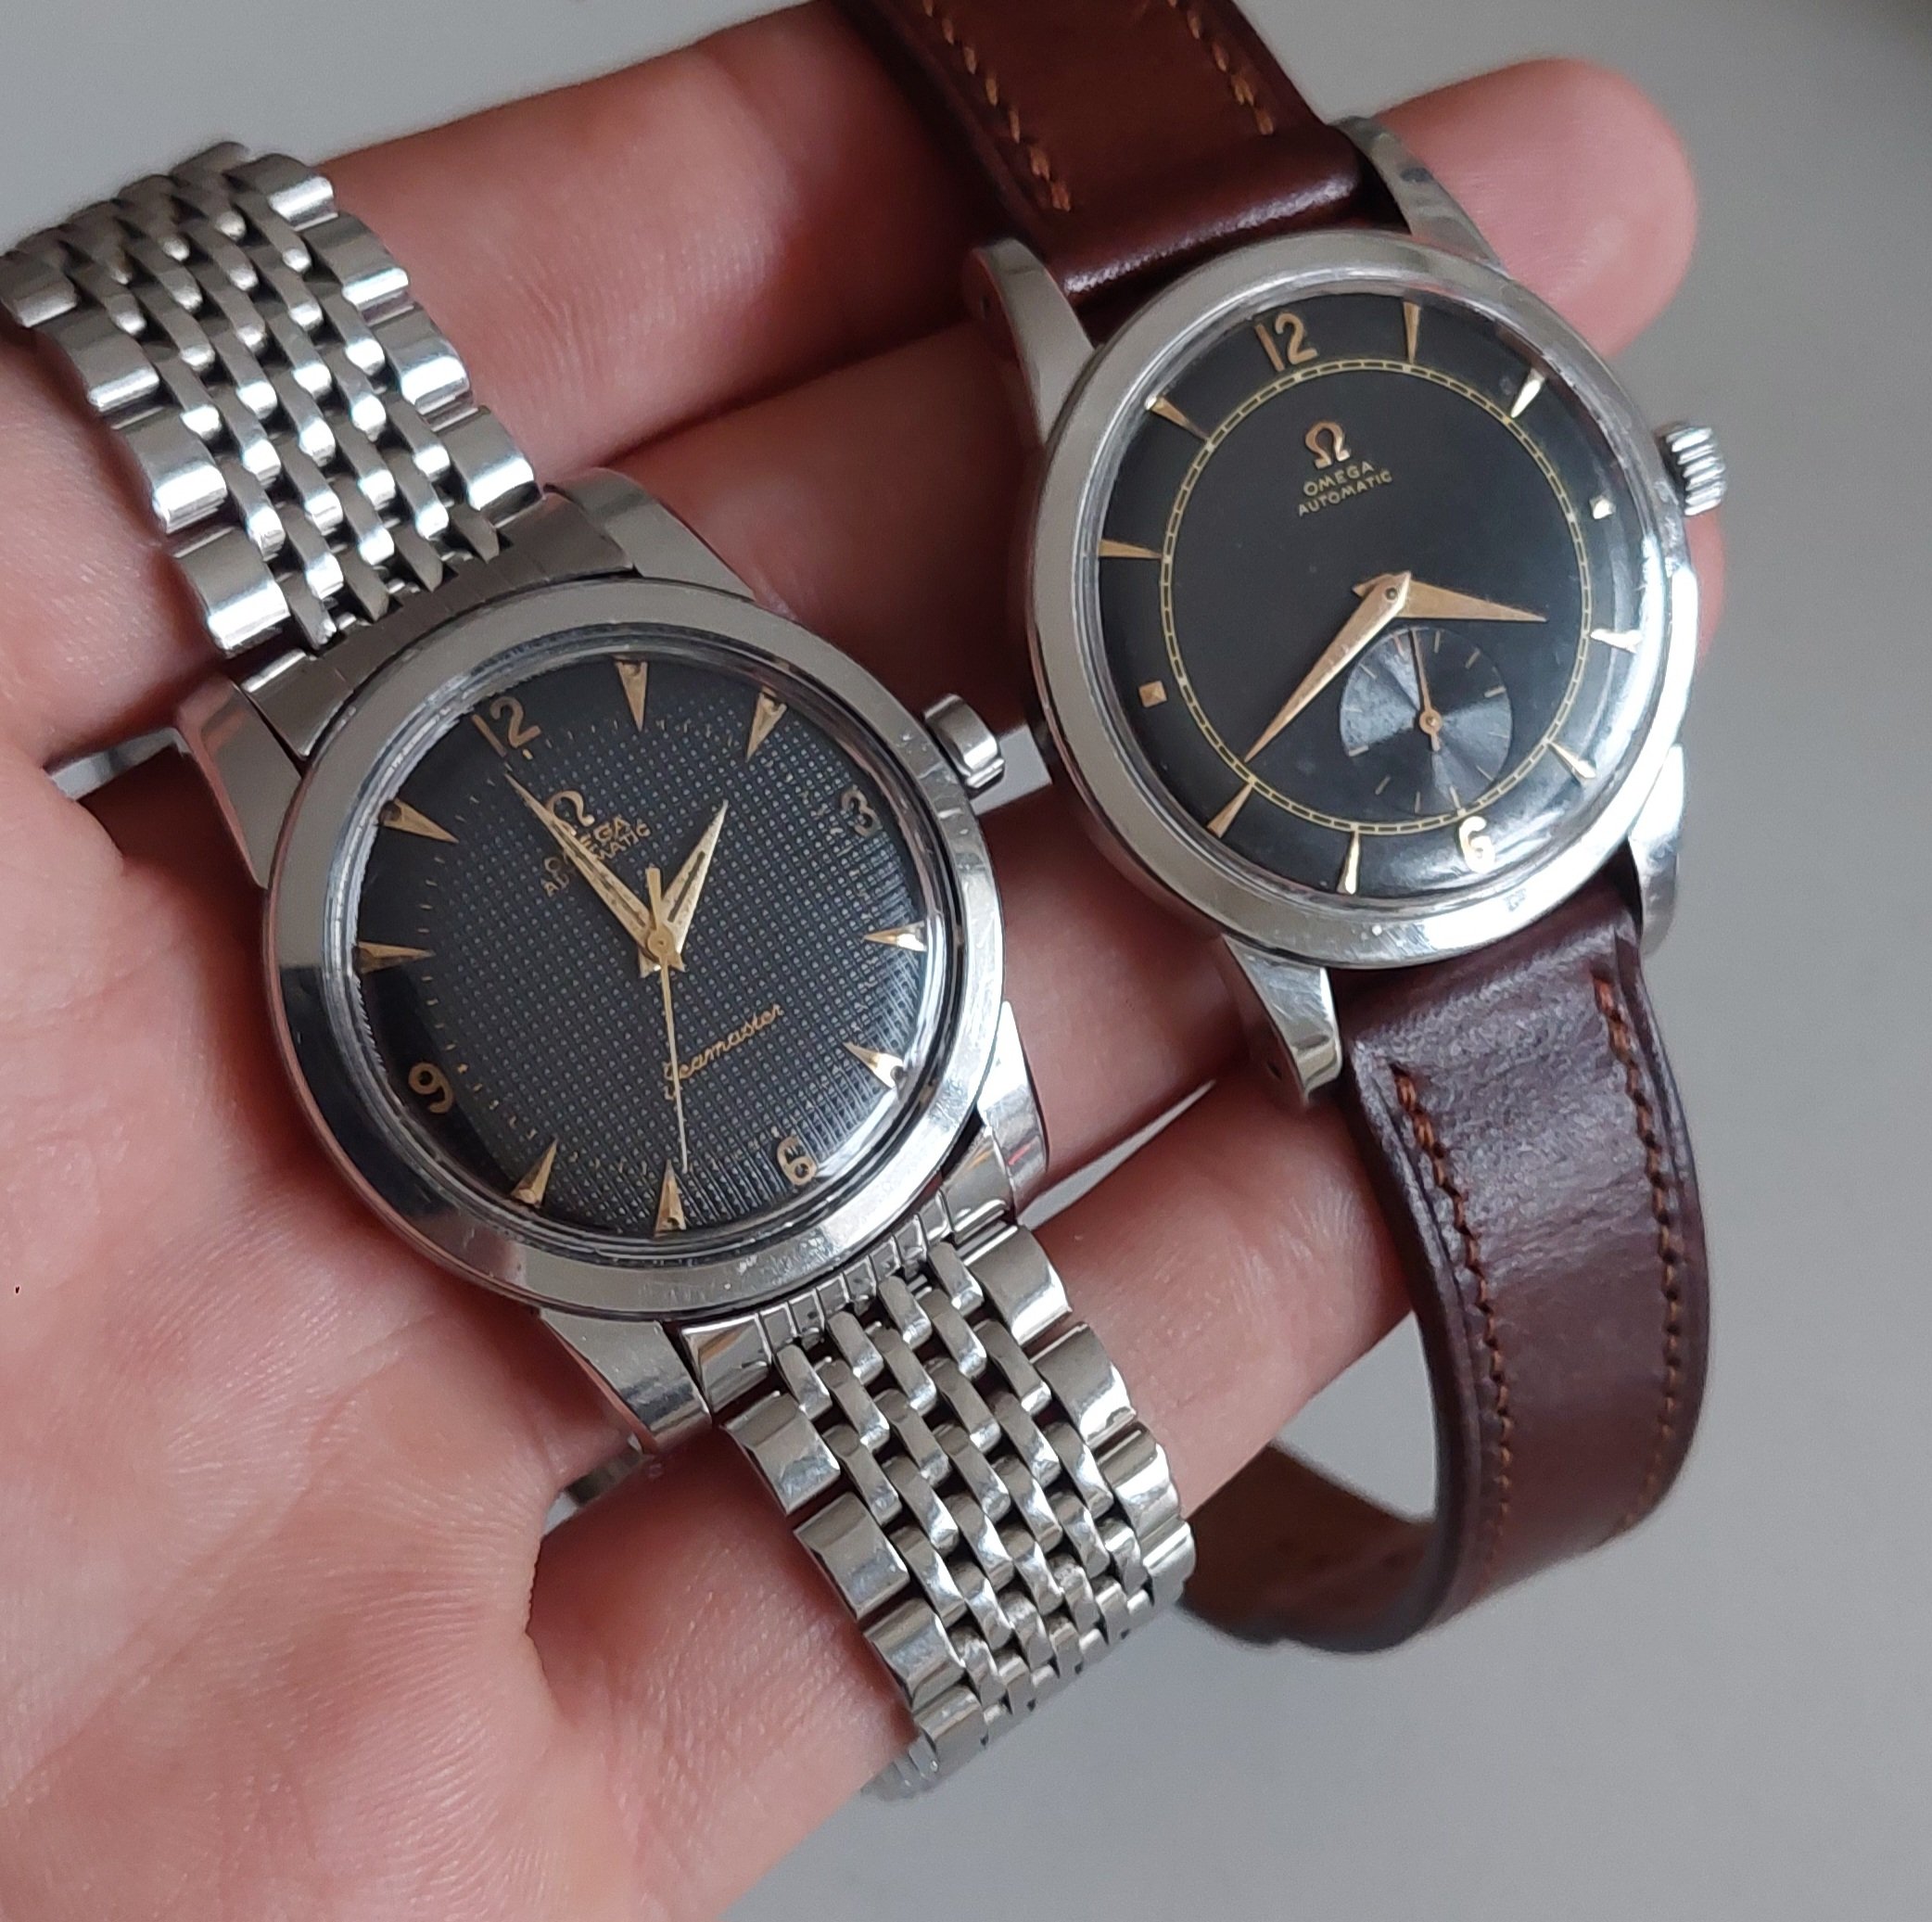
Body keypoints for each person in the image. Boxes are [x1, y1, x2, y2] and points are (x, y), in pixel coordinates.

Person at [0, 8, 1721, 1916]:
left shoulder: (706, 650)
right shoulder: (338, 802)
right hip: (662, 1190)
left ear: (926, 760)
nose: (665, 930)